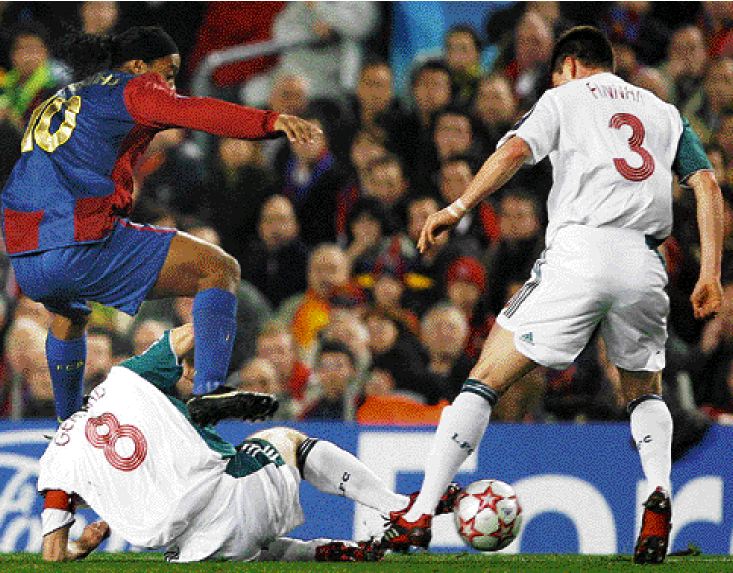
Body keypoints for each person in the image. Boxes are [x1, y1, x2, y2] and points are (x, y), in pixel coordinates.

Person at [383, 26, 724, 566]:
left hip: (580, 250)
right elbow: (706, 184)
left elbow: (516, 150)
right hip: (644, 261)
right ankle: (659, 492)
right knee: (644, 390)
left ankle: (421, 512)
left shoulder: (562, 98)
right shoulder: (664, 112)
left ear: (569, 66)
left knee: (484, 378)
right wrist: (710, 272)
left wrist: (458, 206)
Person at [0, 26, 319, 425]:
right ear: (137, 66)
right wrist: (271, 121)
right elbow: (196, 111)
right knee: (219, 269)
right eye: (167, 74)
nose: (170, 87)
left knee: (70, 312)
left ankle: (68, 422)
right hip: (79, 240)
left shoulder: (65, 96)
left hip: (26, 254)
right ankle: (209, 390)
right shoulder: (131, 88)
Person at [37, 323, 459, 563]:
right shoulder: (127, 380)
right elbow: (192, 330)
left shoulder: (57, 463)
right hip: (236, 500)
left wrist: (83, 546)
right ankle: (399, 509)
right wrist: (215, 321)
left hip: (193, 553)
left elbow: (53, 554)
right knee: (286, 439)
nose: (187, 371)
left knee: (240, 544)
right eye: (184, 369)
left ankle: (320, 553)